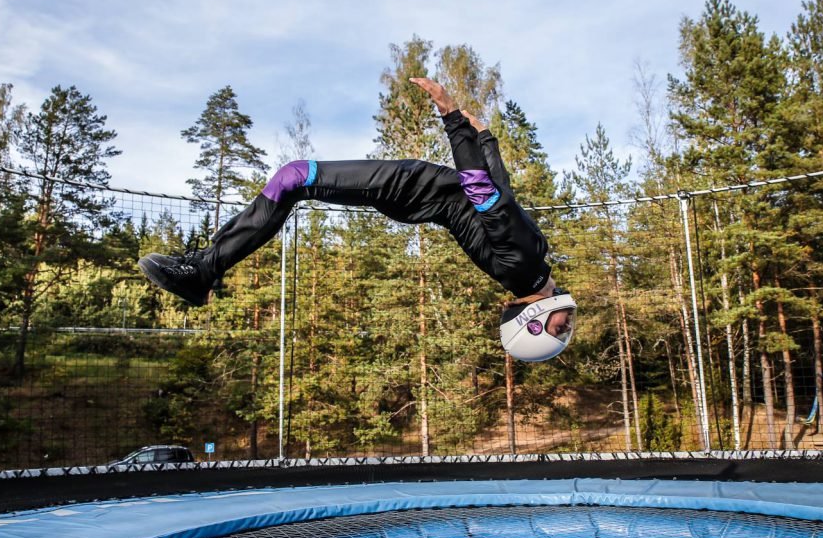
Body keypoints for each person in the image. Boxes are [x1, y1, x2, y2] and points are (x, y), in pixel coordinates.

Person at [139, 78, 576, 361]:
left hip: (411, 188)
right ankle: (205, 269)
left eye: (558, 329)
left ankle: (203, 271)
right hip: (417, 192)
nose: (568, 324)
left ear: (532, 318)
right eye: (565, 330)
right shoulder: (529, 266)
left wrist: (452, 117)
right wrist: (486, 138)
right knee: (294, 180)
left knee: (295, 177)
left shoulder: (523, 265)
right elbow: (502, 195)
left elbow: (482, 191)